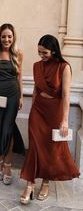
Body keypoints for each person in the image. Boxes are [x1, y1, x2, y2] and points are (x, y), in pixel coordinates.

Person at [20, 34, 80, 204]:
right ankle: (30, 185)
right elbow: (35, 90)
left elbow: (66, 95)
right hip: (38, 111)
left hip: (55, 112)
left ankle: (45, 183)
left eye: (44, 52)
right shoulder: (36, 66)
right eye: (39, 52)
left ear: (53, 51)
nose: (41, 55)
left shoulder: (64, 67)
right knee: (34, 148)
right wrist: (32, 109)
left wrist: (65, 120)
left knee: (50, 149)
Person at [0, 23, 25, 185]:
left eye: (9, 36)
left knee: (8, 130)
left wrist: (21, 96)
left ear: (13, 38)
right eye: (3, 36)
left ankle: (7, 165)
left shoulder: (18, 54)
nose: (6, 39)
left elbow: (19, 76)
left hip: (13, 95)